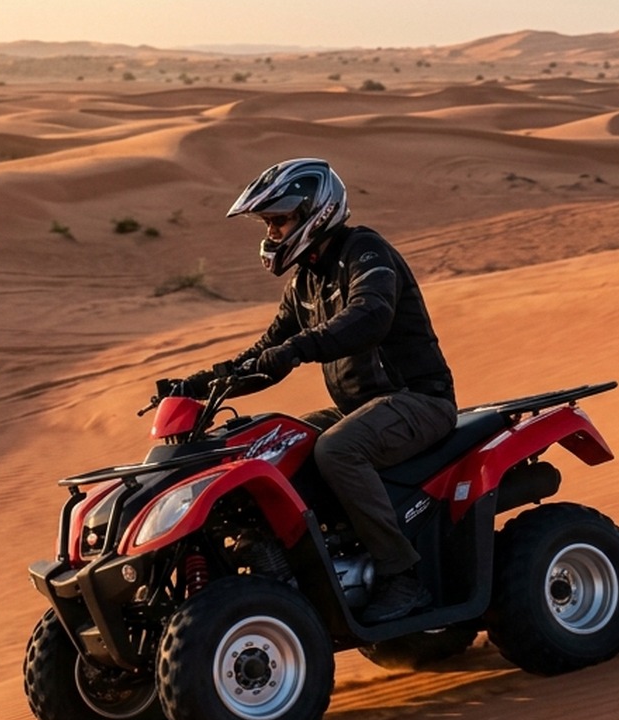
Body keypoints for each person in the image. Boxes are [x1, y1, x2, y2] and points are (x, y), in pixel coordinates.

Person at [185, 158, 456, 624]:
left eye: (279, 220)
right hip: (363, 408)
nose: (271, 233)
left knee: (337, 450)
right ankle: (317, 556)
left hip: (420, 400)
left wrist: (299, 348)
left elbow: (370, 316)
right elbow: (269, 351)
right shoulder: (305, 280)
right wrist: (206, 380)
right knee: (274, 441)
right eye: (268, 223)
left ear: (317, 213)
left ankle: (401, 575)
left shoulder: (364, 251)